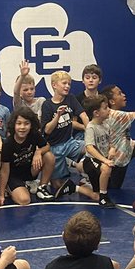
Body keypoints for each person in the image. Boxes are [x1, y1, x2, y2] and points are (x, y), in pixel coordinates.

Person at [41, 71, 86, 199]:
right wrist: (58, 116)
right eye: (64, 83)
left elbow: (83, 115)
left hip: (70, 142)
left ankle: (82, 170)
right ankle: (67, 170)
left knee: (91, 147)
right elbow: (47, 130)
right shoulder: (47, 105)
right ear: (54, 85)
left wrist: (90, 132)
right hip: (55, 147)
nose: (67, 86)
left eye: (69, 84)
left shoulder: (71, 98)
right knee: (57, 185)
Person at [0, 108, 55, 206]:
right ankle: (11, 187)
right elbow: (4, 170)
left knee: (49, 156)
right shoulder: (8, 143)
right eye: (19, 123)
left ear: (31, 125)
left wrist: (38, 152)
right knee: (24, 200)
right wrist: (1, 194)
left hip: (30, 172)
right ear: (13, 125)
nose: (22, 127)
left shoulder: (34, 135)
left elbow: (47, 146)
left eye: (26, 123)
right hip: (14, 176)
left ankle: (42, 188)